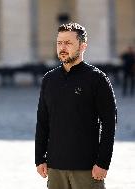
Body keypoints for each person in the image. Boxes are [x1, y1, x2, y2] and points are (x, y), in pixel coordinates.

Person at [35, 22, 117, 189]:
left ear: (83, 46)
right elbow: (42, 122)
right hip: (55, 168)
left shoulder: (97, 79)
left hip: (87, 169)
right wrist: (39, 158)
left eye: (68, 43)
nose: (62, 47)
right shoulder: (49, 79)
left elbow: (109, 124)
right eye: (59, 43)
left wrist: (103, 163)